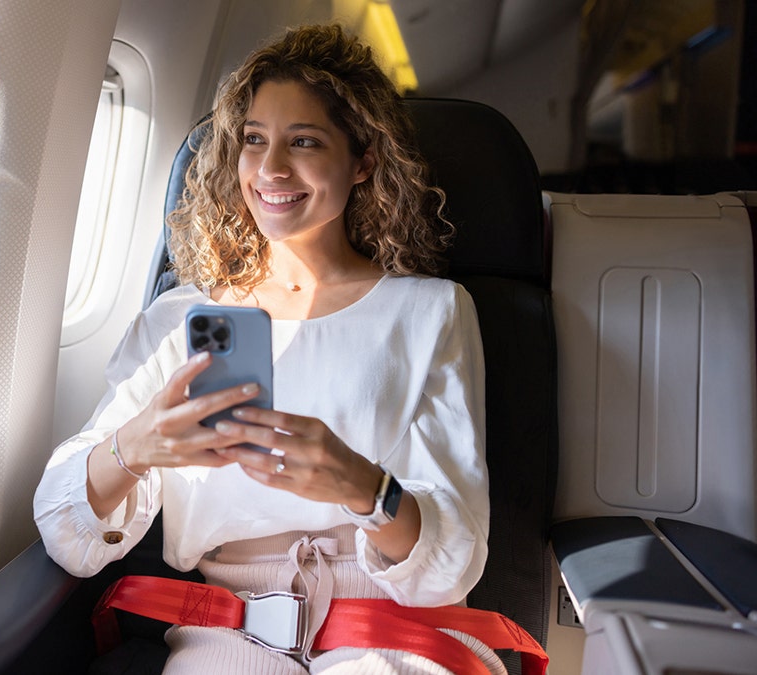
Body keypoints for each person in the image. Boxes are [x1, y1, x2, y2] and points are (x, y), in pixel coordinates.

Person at [35, 24, 501, 674]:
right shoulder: (182, 320)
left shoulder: (431, 313)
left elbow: (450, 566)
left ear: (362, 159)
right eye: (255, 141)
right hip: (229, 627)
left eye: (303, 141)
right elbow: (65, 532)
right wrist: (136, 446)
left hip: (389, 622)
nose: (272, 169)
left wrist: (362, 486)